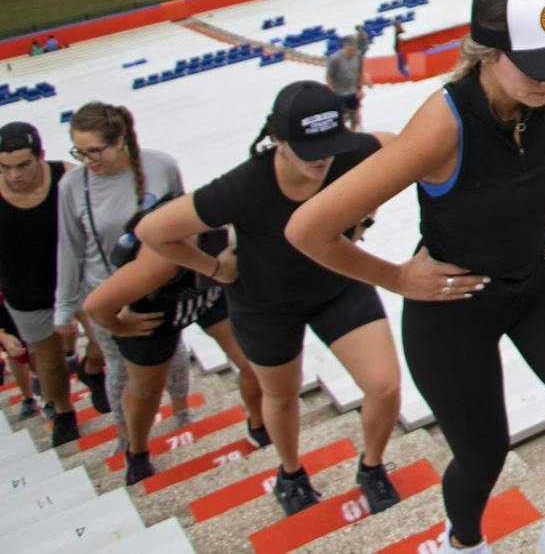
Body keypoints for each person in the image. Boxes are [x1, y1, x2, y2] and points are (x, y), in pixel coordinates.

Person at [286, 0, 545, 554]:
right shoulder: (441, 126)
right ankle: (462, 543)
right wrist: (399, 278)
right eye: (534, 63)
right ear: (487, 52)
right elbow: (308, 229)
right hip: (455, 305)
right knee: (483, 457)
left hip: (541, 280)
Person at [136, 82, 402, 517]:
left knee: (385, 385)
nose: (321, 159)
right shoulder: (245, 185)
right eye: (306, 150)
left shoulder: (350, 151)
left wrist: (367, 212)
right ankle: (291, 472)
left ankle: (371, 466)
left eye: (329, 146)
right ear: (277, 140)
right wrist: (214, 268)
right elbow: (153, 231)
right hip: (264, 305)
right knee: (280, 396)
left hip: (338, 284)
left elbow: (401, 152)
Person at [84, 199, 266, 484]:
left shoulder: (228, 233)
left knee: (254, 361)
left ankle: (259, 424)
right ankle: (138, 451)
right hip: (155, 315)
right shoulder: (159, 264)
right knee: (147, 390)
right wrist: (121, 326)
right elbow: (96, 306)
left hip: (208, 295)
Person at [55, 103, 193, 447]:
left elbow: (183, 222)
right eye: (79, 152)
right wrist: (65, 308)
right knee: (119, 369)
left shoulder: (162, 166)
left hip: (159, 288)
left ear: (120, 142)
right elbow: (69, 249)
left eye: (94, 151)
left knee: (173, 353)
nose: (86, 160)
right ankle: (126, 436)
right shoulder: (72, 186)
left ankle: (182, 415)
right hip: (106, 295)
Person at [0, 122, 83, 446]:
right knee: (48, 359)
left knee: (108, 340)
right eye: (4, 167)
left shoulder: (66, 175)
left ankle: (92, 367)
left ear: (41, 157)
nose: (14, 175)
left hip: (76, 280)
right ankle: (63, 411)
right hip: (26, 292)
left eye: (22, 165)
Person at [326, 36, 365, 132]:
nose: (352, 52)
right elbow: (329, 77)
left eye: (354, 50)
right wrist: (332, 92)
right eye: (350, 50)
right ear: (344, 47)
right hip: (339, 93)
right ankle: (341, 134)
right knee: (343, 116)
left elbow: (360, 72)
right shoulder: (335, 59)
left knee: (355, 115)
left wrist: (359, 89)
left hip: (352, 91)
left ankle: (354, 132)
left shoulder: (358, 56)